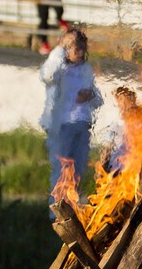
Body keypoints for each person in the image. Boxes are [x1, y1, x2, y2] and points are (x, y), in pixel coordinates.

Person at [39, 29, 102, 214]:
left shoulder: (85, 70)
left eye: (82, 49)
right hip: (62, 126)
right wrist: (60, 48)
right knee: (61, 169)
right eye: (76, 48)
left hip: (82, 125)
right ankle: (56, 213)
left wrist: (90, 95)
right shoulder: (58, 67)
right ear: (66, 48)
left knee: (78, 169)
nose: (80, 53)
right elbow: (47, 75)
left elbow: (98, 99)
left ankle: (71, 210)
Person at [101, 86, 142, 174]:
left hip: (135, 164)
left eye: (127, 99)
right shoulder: (115, 124)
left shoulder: (141, 120)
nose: (124, 104)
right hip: (118, 166)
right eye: (121, 100)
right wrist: (106, 157)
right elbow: (108, 145)